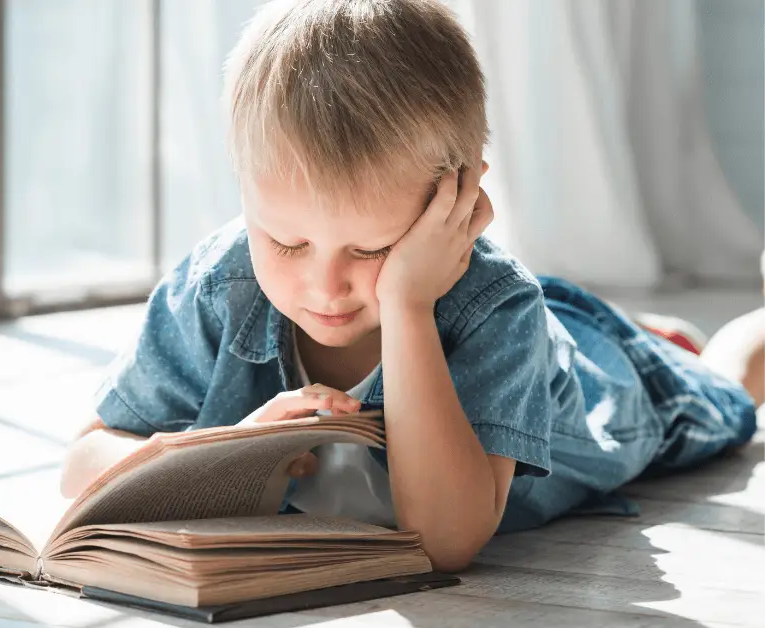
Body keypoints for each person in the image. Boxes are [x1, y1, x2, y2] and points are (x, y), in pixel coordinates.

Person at [59, 0, 761, 573]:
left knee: (734, 385)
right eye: (287, 241)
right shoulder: (218, 284)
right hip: (540, 324)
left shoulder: (494, 309)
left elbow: (445, 539)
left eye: (372, 249)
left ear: (454, 203)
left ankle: (695, 346)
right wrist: (221, 458)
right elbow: (85, 463)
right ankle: (651, 333)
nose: (325, 285)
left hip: (601, 393)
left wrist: (408, 304)